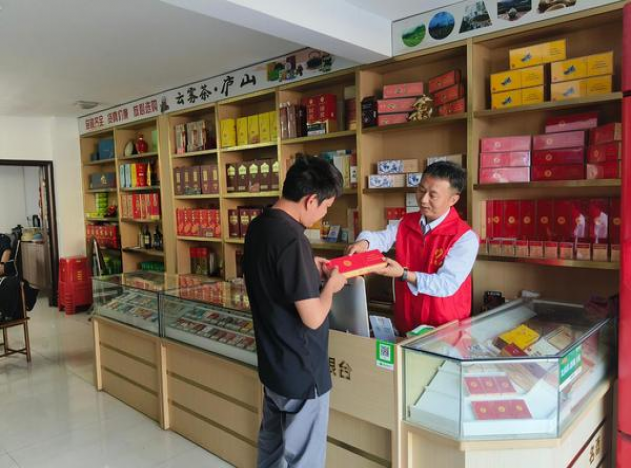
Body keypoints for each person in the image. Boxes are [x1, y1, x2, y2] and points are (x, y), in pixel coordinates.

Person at [242, 155, 347, 468]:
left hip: (273, 365)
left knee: (272, 448)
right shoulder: (293, 239)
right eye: (326, 206)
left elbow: (272, 274)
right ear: (311, 199)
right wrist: (331, 287)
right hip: (302, 370)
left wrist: (307, 266)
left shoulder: (260, 225)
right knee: (304, 458)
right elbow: (313, 318)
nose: (325, 213)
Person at [346, 161, 478, 333]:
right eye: (421, 190)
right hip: (407, 318)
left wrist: (403, 274)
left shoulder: (465, 237)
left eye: (433, 195)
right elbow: (382, 237)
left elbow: (446, 284)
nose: (423, 199)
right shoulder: (407, 221)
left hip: (443, 326)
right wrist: (364, 243)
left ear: (453, 199)